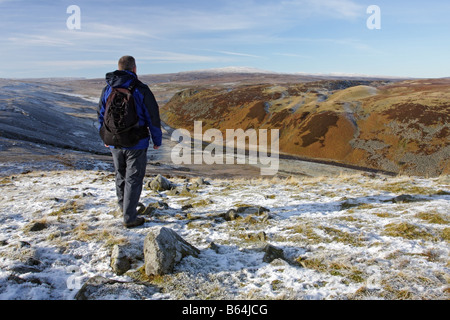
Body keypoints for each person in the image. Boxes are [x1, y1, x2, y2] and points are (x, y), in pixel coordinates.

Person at [98, 56, 162, 228]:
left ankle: (123, 207)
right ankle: (130, 217)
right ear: (134, 69)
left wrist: (105, 136)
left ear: (118, 68)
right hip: (137, 142)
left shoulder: (108, 89)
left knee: (121, 175)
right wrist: (157, 140)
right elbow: (152, 117)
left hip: (113, 142)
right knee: (133, 178)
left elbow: (101, 114)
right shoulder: (140, 89)